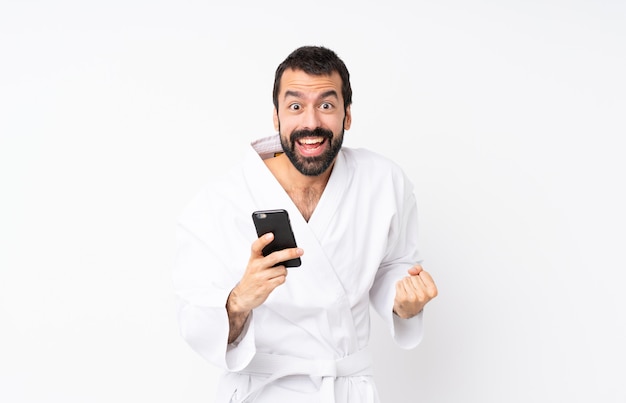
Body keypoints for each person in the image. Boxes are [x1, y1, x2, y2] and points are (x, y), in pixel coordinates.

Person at [173, 45, 438, 403]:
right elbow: (194, 322)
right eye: (295, 106)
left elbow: (394, 265)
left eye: (326, 105)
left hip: (346, 390)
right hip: (262, 392)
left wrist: (405, 301)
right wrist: (238, 300)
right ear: (276, 116)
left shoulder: (383, 181)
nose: (311, 123)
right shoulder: (220, 201)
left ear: (347, 115)